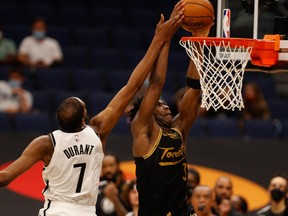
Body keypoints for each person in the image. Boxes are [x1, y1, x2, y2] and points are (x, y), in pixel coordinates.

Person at [0, 9, 184, 216]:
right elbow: (133, 86)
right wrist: (159, 39)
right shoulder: (97, 131)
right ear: (83, 119)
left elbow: (5, 177)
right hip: (86, 212)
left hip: (56, 211)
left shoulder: (45, 143)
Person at [128, 4, 212, 214]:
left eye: (165, 103)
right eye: (158, 104)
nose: (165, 105)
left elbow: (193, 91)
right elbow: (156, 84)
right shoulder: (143, 132)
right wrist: (166, 37)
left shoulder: (178, 131)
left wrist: (198, 41)